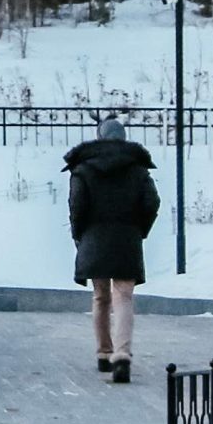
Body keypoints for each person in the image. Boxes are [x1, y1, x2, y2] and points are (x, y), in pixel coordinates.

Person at [64, 116, 160, 384]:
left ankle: (104, 353)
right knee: (124, 296)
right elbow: (152, 202)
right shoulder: (137, 168)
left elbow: (77, 206)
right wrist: (139, 229)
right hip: (127, 239)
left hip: (94, 237)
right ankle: (122, 355)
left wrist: (79, 235)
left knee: (100, 297)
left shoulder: (83, 168)